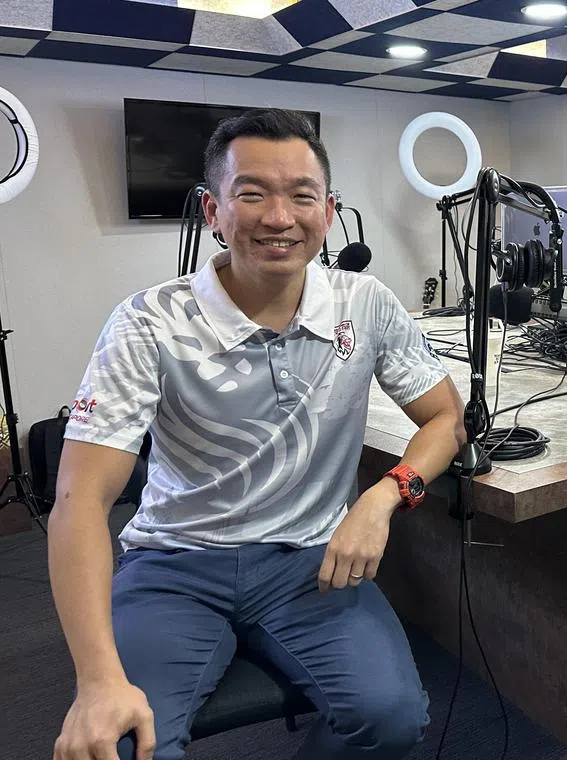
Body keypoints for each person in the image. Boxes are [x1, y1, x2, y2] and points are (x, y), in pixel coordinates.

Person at [48, 109, 465, 760]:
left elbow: (445, 419)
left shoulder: (367, 303)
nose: (279, 216)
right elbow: (78, 500)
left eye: (301, 195)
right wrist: (96, 680)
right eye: (252, 193)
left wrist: (384, 496)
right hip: (173, 564)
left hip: (308, 562)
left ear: (327, 214)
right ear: (214, 211)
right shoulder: (148, 321)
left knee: (392, 718)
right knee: (125, 740)